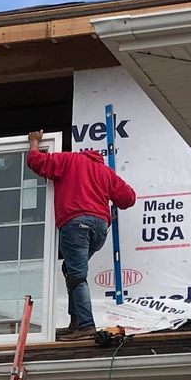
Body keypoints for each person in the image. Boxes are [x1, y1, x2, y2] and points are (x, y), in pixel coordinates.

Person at [25, 129, 136, 337]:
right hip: (100, 228)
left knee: (77, 274)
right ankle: (76, 322)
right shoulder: (105, 172)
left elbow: (36, 161)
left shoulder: (69, 160)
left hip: (76, 223)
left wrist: (33, 142)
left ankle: (85, 325)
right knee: (71, 269)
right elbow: (128, 198)